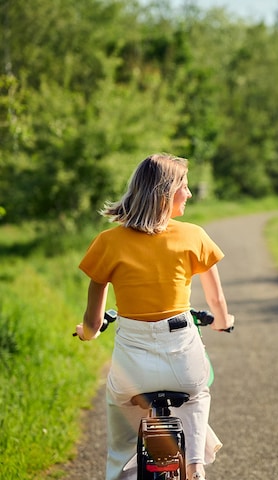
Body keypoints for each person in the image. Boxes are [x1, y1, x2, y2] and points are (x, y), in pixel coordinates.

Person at [75, 153, 235, 480]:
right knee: (197, 392)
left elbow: (92, 323)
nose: (189, 194)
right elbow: (217, 300)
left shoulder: (108, 242)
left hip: (132, 367)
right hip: (182, 355)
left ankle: (124, 472)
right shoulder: (194, 236)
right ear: (165, 192)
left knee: (120, 414)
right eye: (184, 187)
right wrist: (223, 321)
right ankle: (194, 465)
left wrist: (86, 332)